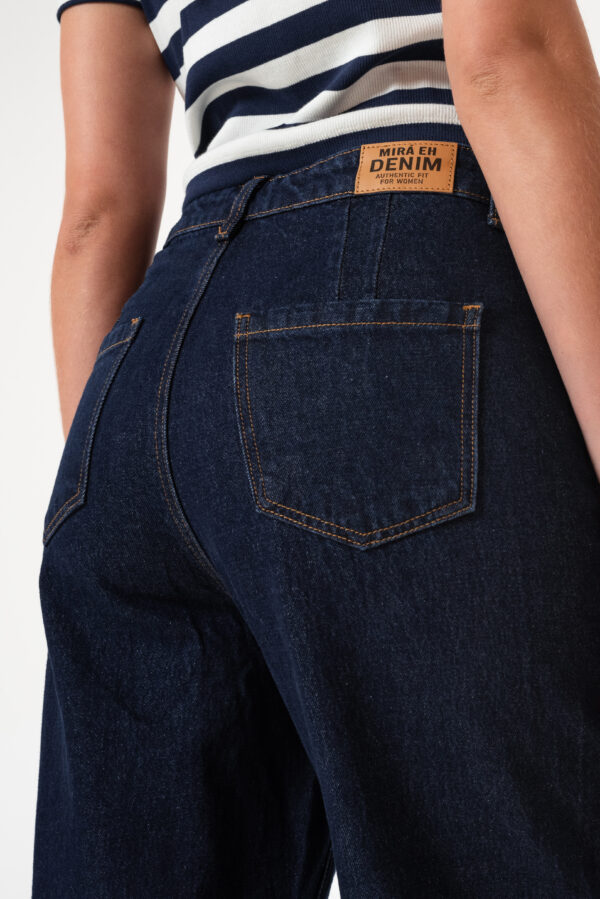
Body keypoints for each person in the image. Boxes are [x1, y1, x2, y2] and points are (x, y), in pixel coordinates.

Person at [33, 0, 600, 895]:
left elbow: (95, 218)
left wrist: (136, 485)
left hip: (140, 373)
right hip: (396, 291)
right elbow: (506, 58)